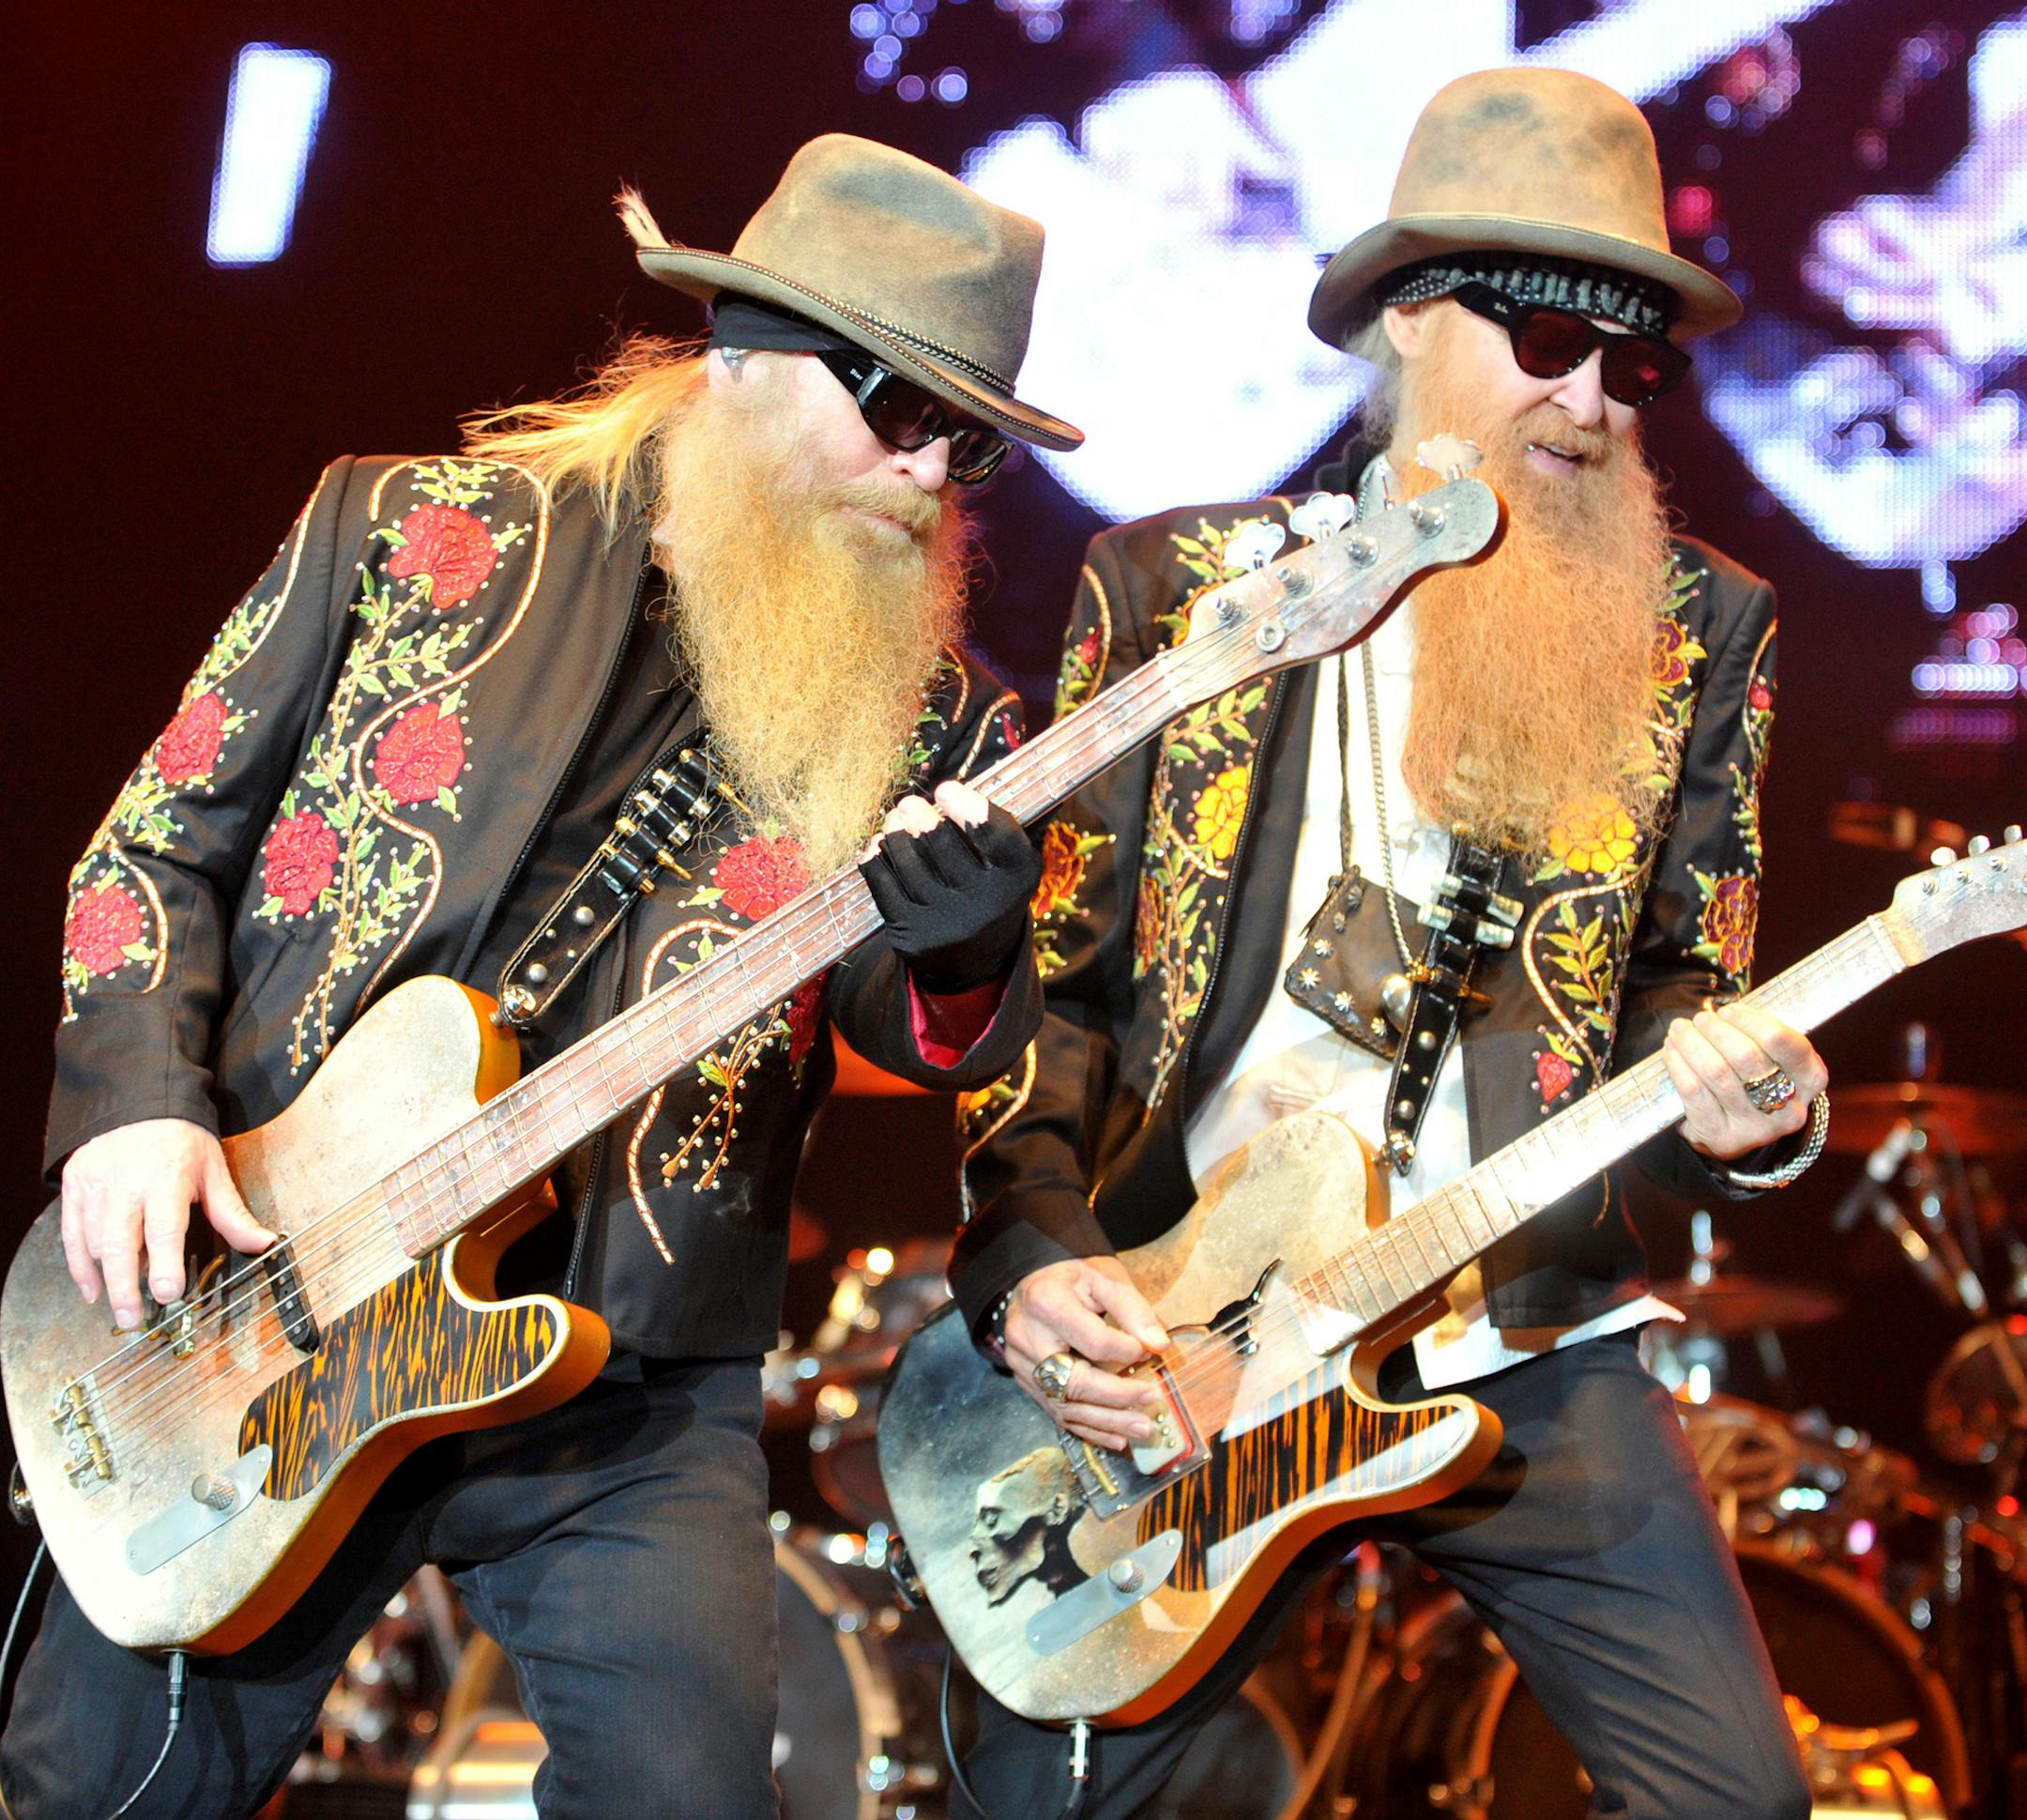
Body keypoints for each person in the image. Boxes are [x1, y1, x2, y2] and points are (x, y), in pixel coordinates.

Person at [2, 133, 1076, 1820]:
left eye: (971, 443)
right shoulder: (406, 529)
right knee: (103, 1796)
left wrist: (968, 943)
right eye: (897, 408)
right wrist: (137, 1105)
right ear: (747, 355)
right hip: (271, 1301)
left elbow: (922, 1032)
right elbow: (157, 845)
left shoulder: (942, 721)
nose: (930, 471)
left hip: (628, 1380)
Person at [947, 69, 1829, 1820]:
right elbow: (1060, 987)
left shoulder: (1702, 628)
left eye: (1634, 365)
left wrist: (1754, 1112)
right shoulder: (1179, 590)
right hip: (1189, 1332)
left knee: (1739, 1800)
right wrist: (1028, 1251)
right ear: (1410, 315)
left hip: (1518, 1328)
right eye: (1548, 338)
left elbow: (1686, 985)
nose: (1590, 399)